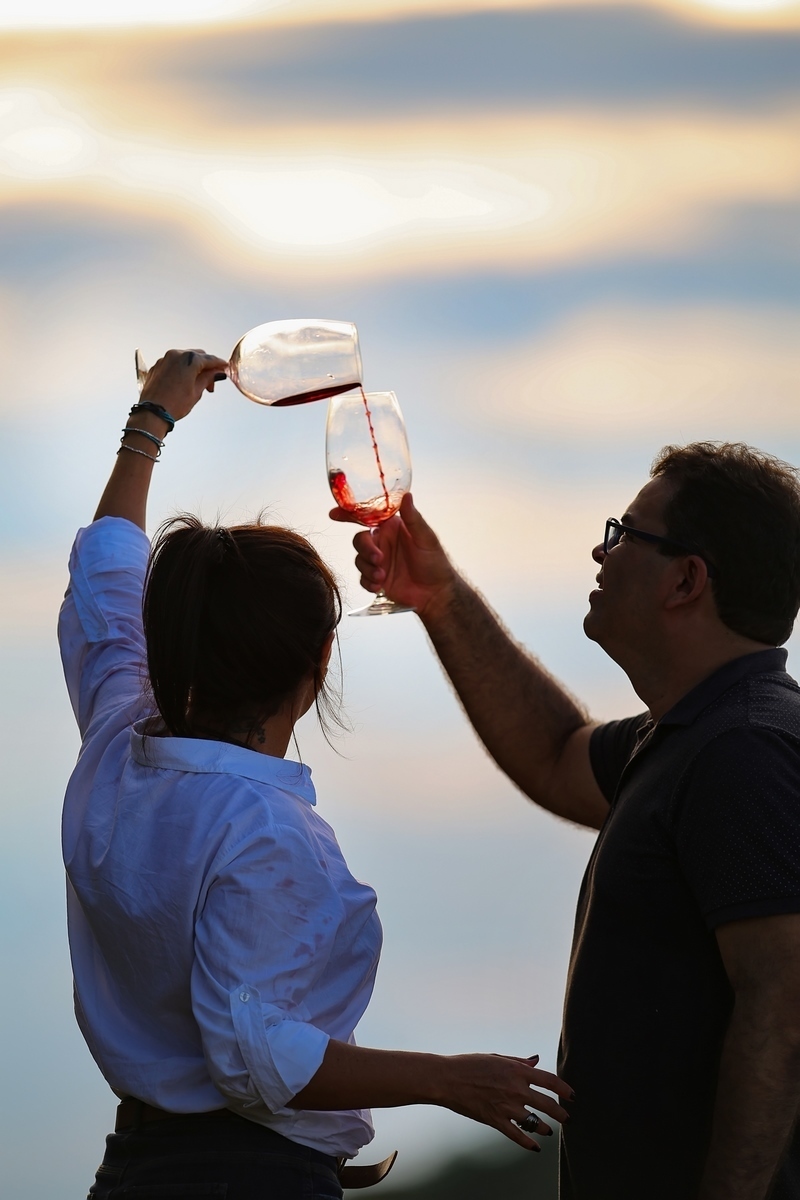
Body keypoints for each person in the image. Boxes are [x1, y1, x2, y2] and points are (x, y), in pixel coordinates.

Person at [58, 348, 572, 1200]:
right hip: (242, 1180)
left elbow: (106, 579)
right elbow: (254, 1059)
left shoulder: (116, 739)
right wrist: (450, 1079)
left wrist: (151, 420)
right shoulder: (260, 830)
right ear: (320, 662)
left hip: (135, 1172)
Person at [333, 441, 800, 1200]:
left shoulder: (743, 748)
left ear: (686, 580)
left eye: (625, 534)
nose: (600, 551)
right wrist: (439, 596)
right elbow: (555, 755)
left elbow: (783, 1008)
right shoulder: (691, 737)